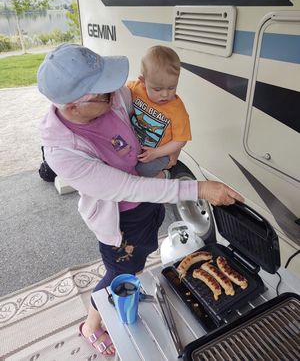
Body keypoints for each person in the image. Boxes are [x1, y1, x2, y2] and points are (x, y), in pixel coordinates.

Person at [37, 43, 244, 356]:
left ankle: (111, 301)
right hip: (120, 222)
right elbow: (127, 187)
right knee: (118, 275)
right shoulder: (62, 153)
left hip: (148, 204)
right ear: (72, 106)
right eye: (104, 92)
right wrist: (198, 188)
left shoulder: (114, 97)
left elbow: (152, 112)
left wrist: (168, 152)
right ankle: (91, 325)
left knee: (140, 258)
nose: (117, 91)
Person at [128, 45, 191, 178]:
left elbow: (181, 140)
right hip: (137, 143)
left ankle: (164, 176)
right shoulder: (135, 88)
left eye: (172, 87)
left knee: (142, 172)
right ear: (143, 81)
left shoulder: (177, 110)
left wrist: (157, 153)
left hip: (162, 152)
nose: (165, 94)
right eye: (157, 89)